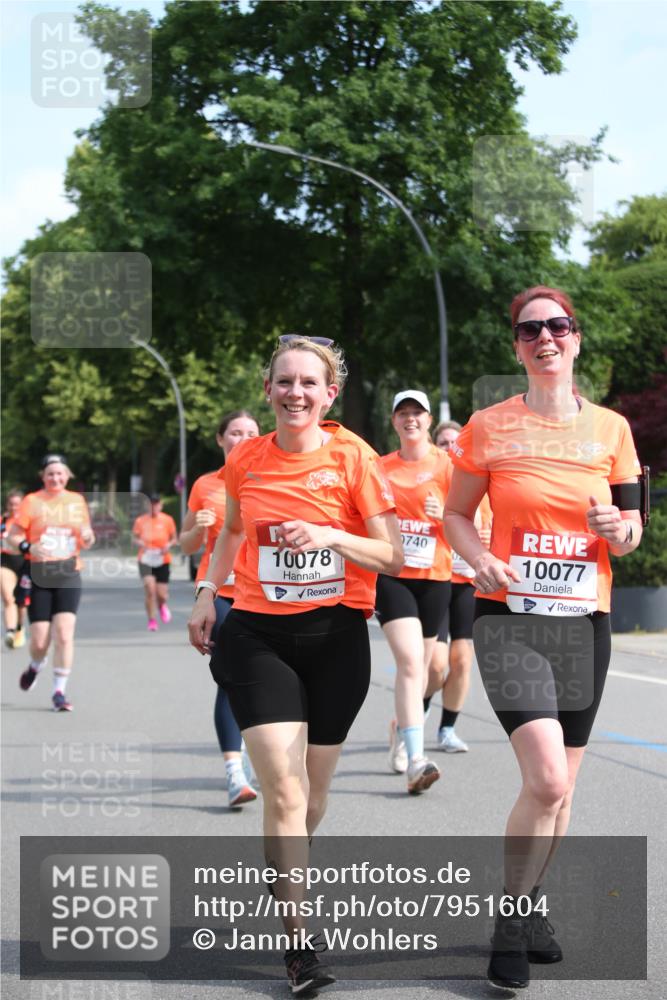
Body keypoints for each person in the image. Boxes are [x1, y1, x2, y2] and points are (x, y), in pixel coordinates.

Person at [188, 334, 402, 995]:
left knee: (311, 796)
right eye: (284, 381)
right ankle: (299, 945)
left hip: (337, 635)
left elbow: (391, 555)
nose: (295, 393)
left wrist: (333, 534)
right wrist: (205, 594)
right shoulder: (245, 461)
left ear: (328, 393)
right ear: (267, 388)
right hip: (256, 636)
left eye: (309, 383)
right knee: (280, 788)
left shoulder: (353, 457)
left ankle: (284, 862)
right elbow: (228, 533)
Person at [444, 286, 643, 989]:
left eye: (557, 326)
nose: (545, 338)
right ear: (516, 347)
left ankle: (529, 908)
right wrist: (478, 558)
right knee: (547, 777)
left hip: (583, 622)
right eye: (530, 330)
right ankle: (508, 919)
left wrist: (620, 531)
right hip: (508, 618)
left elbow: (629, 531)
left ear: (576, 339)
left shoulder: (613, 430)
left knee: (562, 795)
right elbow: (456, 515)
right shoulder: (488, 426)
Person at [180, 409, 260, 809]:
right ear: (220, 439)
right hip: (221, 591)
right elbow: (187, 545)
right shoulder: (205, 485)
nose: (242, 437)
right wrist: (197, 529)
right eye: (234, 432)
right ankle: (234, 772)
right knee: (232, 676)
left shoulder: (270, 475)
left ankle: (256, 750)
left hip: (267, 593)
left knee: (263, 679)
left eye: (250, 431)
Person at [376, 390, 452, 793]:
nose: (410, 420)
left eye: (417, 413)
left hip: (436, 576)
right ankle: (417, 760)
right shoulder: (380, 467)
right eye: (403, 413)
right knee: (409, 663)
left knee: (428, 670)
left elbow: (469, 519)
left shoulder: (447, 465)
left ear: (428, 421)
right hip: (392, 575)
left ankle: (402, 733)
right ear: (394, 422)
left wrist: (446, 517)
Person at [423, 420, 492, 752]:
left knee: (462, 660)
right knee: (436, 666)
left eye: (456, 442)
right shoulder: (429, 482)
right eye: (445, 443)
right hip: (437, 580)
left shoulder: (484, 481)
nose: (451, 447)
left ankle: (447, 729)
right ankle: (416, 713)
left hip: (468, 582)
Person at [10, 455, 95, 711]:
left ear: (67, 475)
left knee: (64, 634)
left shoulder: (76, 501)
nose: (55, 478)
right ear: (43, 476)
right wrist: (29, 546)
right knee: (39, 641)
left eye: (60, 474)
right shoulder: (32, 501)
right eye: (50, 474)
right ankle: (36, 666)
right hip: (40, 574)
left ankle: (59, 691)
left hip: (68, 572)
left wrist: (89, 536)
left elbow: (86, 537)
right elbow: (14, 536)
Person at [132, 495, 177, 631]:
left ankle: (162, 605)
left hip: (162, 559)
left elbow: (174, 538)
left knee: (161, 594)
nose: (154, 507)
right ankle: (152, 620)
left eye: (157, 504)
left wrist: (168, 545)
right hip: (145, 559)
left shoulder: (167, 520)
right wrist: (141, 543)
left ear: (161, 505)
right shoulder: (140, 521)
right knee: (150, 590)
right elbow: (134, 539)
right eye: (152, 504)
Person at [1, 489, 28, 648]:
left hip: (24, 562)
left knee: (22, 602)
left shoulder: (28, 522)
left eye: (17, 504)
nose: (14, 507)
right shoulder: (2, 521)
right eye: (11, 504)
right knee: (8, 598)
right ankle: (10, 632)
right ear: (7, 505)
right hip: (5, 561)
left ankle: (19, 627)